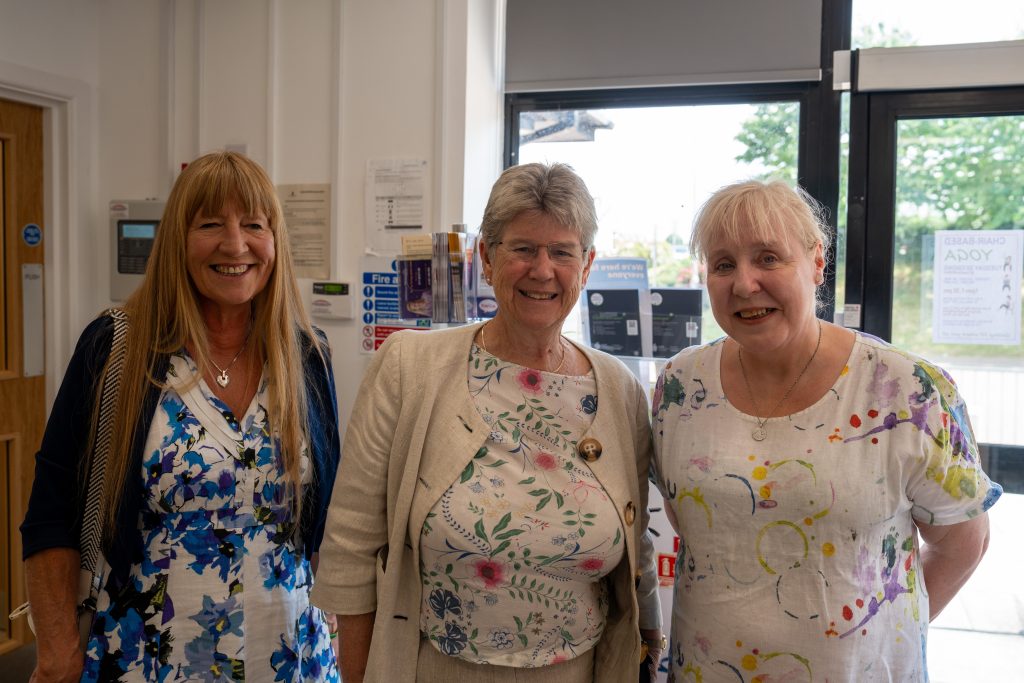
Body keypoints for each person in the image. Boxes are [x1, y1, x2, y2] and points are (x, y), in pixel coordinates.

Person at [311, 162, 663, 682]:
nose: (542, 270)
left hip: (579, 671)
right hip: (434, 668)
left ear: (586, 267)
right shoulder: (410, 366)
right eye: (522, 248)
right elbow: (350, 546)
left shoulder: (619, 390)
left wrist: (651, 645)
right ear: (486, 258)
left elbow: (637, 548)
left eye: (562, 252)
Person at [652, 179, 1002, 682]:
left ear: (817, 261)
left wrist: (881, 632)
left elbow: (963, 543)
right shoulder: (680, 388)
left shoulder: (909, 391)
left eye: (768, 258)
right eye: (724, 264)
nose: (745, 283)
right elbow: (692, 527)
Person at [20, 151, 342, 681]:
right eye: (210, 224)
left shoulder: (307, 355)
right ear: (176, 240)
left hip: (292, 656)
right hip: (147, 656)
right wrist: (56, 656)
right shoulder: (116, 348)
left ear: (275, 241)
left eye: (254, 225)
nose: (235, 245)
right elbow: (51, 514)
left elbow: (330, 524)